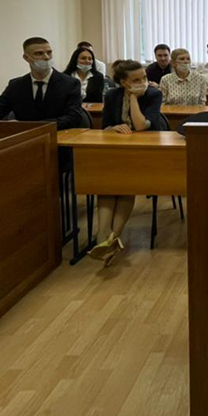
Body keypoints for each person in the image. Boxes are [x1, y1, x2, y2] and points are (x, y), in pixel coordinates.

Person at [88, 59, 166, 267]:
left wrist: (133, 97)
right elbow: (105, 127)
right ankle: (104, 237)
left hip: (147, 151)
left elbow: (141, 126)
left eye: (144, 78)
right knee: (106, 184)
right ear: (123, 82)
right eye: (136, 80)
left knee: (125, 184)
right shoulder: (112, 95)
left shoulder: (153, 94)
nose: (143, 82)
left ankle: (112, 236)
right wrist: (113, 128)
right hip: (118, 150)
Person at [0, 37, 86, 129]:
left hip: (58, 138)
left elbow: (73, 117)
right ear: (26, 58)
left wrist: (32, 126)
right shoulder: (16, 85)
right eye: (39, 53)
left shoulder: (70, 84)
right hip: (24, 140)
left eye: (49, 52)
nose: (46, 57)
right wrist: (5, 126)